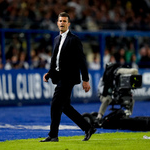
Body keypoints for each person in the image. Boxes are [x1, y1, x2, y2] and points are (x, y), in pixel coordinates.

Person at [40, 12, 96, 142]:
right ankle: (88, 128)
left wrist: (86, 79)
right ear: (57, 23)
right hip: (59, 77)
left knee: (55, 104)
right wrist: (49, 73)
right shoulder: (56, 39)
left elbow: (82, 60)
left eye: (64, 21)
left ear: (68, 24)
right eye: (60, 21)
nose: (62, 23)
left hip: (68, 78)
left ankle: (53, 135)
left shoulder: (74, 40)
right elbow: (55, 60)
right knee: (65, 106)